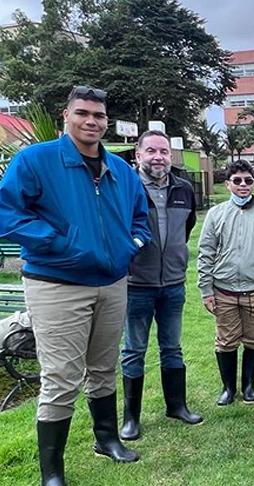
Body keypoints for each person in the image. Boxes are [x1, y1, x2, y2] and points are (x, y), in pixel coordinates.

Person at [0, 86, 151, 483]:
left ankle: (107, 439)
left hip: (112, 282)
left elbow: (140, 218)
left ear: (106, 121)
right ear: (66, 115)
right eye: (82, 113)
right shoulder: (36, 160)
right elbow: (7, 212)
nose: (91, 121)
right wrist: (58, 242)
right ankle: (52, 472)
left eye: (99, 115)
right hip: (58, 283)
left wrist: (131, 246)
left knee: (103, 367)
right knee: (61, 377)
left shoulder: (121, 170)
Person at [119, 130, 202, 442]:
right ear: (138, 154)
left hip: (173, 283)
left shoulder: (183, 188)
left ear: (171, 155)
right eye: (151, 151)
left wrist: (174, 258)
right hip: (136, 283)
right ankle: (131, 419)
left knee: (172, 347)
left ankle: (177, 406)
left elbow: (187, 227)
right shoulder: (126, 187)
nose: (158, 157)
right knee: (133, 350)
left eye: (164, 151)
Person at [197, 160, 254, 406]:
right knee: (226, 341)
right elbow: (206, 252)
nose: (243, 185)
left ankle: (249, 386)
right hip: (224, 290)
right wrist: (206, 289)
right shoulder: (216, 214)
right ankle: (228, 388)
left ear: (253, 184)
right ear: (228, 184)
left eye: (248, 180)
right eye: (237, 181)